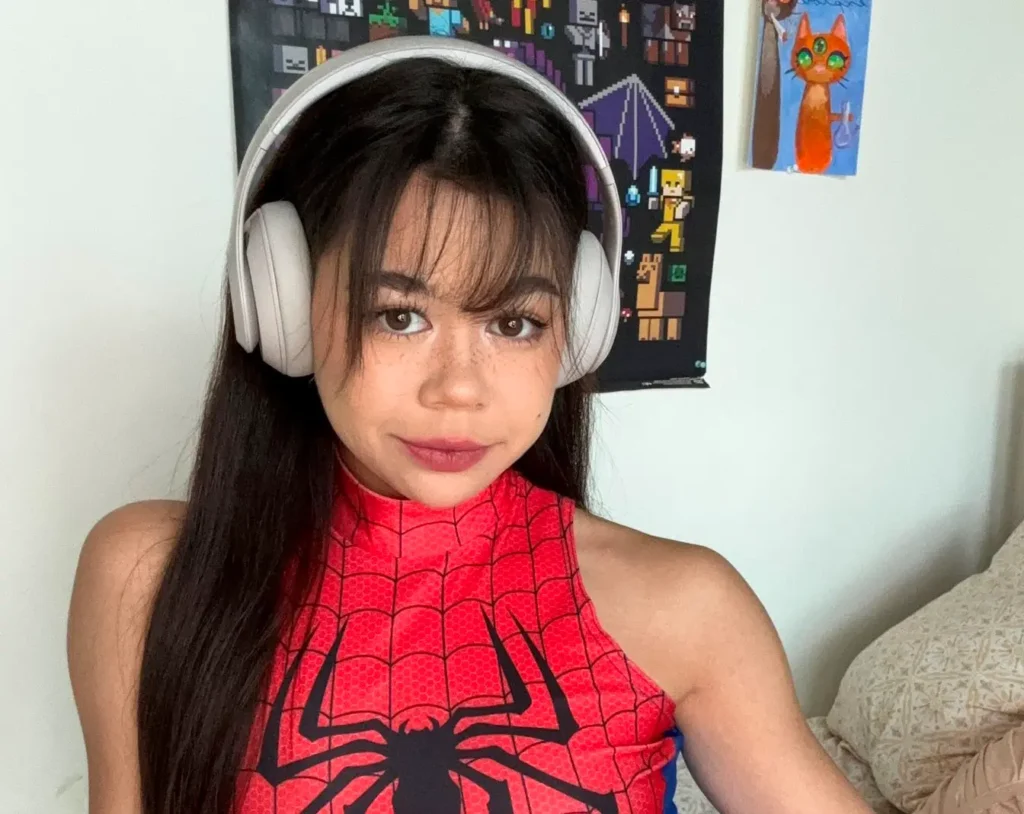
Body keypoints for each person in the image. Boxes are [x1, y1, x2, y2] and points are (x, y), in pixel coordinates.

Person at [67, 38, 873, 814]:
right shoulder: (148, 577)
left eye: (515, 323)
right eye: (398, 315)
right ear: (285, 309)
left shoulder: (686, 608)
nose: (459, 389)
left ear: (577, 330)